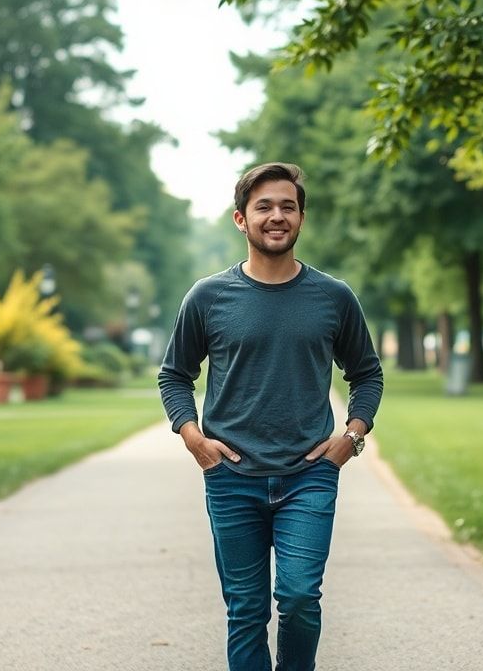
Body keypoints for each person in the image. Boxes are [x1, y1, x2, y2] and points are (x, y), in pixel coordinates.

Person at [158, 162, 384, 671]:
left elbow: (367, 373)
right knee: (246, 611)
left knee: (301, 598)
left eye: (288, 206)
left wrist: (352, 436)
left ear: (302, 218)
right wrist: (193, 438)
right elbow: (174, 374)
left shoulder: (333, 297)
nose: (276, 216)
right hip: (231, 479)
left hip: (309, 476)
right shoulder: (209, 297)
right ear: (241, 219)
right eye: (264, 207)